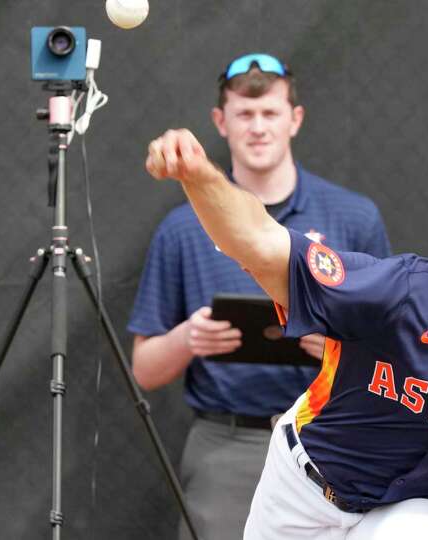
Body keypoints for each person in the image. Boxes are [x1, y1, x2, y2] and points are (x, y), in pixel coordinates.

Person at [143, 128, 428, 539]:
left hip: (424, 510)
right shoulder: (394, 290)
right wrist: (200, 176)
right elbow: (262, 244)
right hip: (302, 484)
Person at [127, 53, 391, 539]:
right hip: (227, 444)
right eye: (244, 115)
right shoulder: (182, 229)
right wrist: (190, 337)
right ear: (220, 122)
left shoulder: (353, 219)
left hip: (332, 438)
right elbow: (144, 370)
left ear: (295, 119)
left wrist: (339, 346)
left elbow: (395, 353)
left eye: (269, 113)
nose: (258, 127)